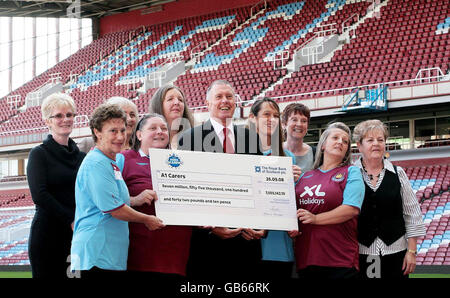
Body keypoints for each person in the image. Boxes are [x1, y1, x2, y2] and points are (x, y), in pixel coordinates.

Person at [178, 79, 264, 279]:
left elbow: (259, 185)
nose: (225, 101)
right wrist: (210, 227)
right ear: (208, 104)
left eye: (229, 96)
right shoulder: (190, 138)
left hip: (246, 240)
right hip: (208, 242)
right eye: (218, 97)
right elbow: (186, 190)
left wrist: (261, 225)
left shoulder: (250, 138)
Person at [70, 104, 164, 278]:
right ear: (97, 132)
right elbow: (115, 209)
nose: (120, 136)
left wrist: (136, 199)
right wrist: (147, 219)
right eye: (113, 131)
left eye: (122, 130)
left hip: (109, 255)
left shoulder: (111, 162)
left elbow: (116, 199)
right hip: (96, 253)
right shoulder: (96, 163)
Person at [116, 113, 192, 281]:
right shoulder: (123, 159)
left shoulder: (184, 161)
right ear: (139, 135)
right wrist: (135, 199)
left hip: (176, 251)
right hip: (140, 250)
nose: (160, 132)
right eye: (153, 128)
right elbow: (110, 198)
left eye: (164, 128)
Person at [353, 119, 426, 279]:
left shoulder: (398, 173)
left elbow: (412, 213)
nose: (376, 144)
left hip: (396, 251)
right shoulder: (350, 175)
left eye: (380, 140)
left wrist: (412, 251)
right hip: (362, 252)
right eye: (370, 140)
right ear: (359, 146)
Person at [294, 122, 365, 279]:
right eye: (335, 137)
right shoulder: (305, 177)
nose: (340, 142)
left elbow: (351, 209)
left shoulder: (351, 172)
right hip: (306, 259)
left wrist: (315, 218)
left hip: (339, 260)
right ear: (323, 144)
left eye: (345, 141)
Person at [27, 93, 86, 278]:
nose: (65, 119)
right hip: (48, 235)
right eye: (59, 116)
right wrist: (70, 219)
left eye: (69, 115)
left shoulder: (83, 157)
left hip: (76, 234)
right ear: (48, 121)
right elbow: (40, 195)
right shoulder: (39, 154)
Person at [249, 97, 301, 279]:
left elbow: (289, 200)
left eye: (276, 115)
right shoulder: (241, 152)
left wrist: (294, 181)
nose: (272, 119)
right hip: (248, 240)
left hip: (277, 243)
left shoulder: (287, 157)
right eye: (266, 114)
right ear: (253, 118)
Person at [149, 84, 194, 149]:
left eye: (180, 100)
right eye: (170, 99)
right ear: (159, 105)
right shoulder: (148, 141)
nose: (177, 102)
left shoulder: (195, 137)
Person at [281, 103, 315, 171]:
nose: (299, 124)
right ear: (284, 124)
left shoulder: (315, 154)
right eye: (294, 120)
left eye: (304, 121)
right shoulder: (273, 152)